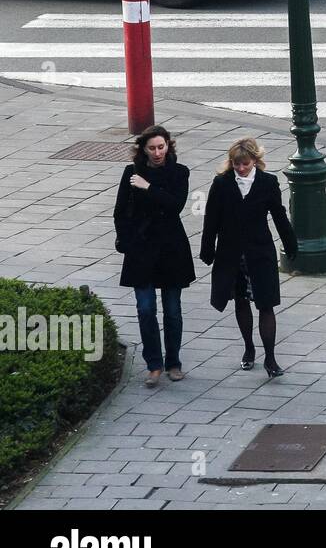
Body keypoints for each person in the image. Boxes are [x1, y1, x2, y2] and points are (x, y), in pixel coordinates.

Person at [200, 138, 298, 378]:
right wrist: (207, 249)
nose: (240, 168)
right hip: (231, 253)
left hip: (260, 252)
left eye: (244, 163)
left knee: (266, 304)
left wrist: (291, 244)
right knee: (241, 301)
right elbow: (211, 219)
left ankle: (271, 358)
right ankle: (248, 347)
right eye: (236, 164)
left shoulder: (268, 183)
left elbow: (279, 215)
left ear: (255, 160)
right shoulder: (222, 183)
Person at [113, 125, 195, 388]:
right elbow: (120, 211)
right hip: (142, 248)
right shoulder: (131, 173)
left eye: (162, 147)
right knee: (145, 308)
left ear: (168, 146)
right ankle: (153, 365)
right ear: (143, 149)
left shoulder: (179, 173)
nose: (158, 152)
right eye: (152, 148)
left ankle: (173, 363)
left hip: (171, 248)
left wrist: (148, 187)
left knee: (172, 309)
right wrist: (127, 241)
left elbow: (175, 205)